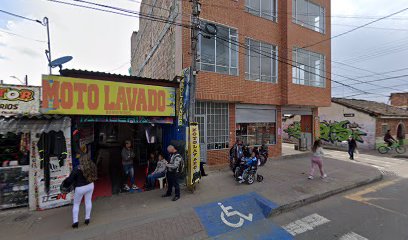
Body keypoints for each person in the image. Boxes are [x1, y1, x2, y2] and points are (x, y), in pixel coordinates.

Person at [63, 156, 97, 228]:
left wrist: (65, 184)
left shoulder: (76, 169)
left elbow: (70, 180)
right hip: (90, 185)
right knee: (88, 201)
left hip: (80, 188)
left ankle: (75, 222)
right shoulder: (92, 166)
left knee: (76, 204)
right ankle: (87, 219)